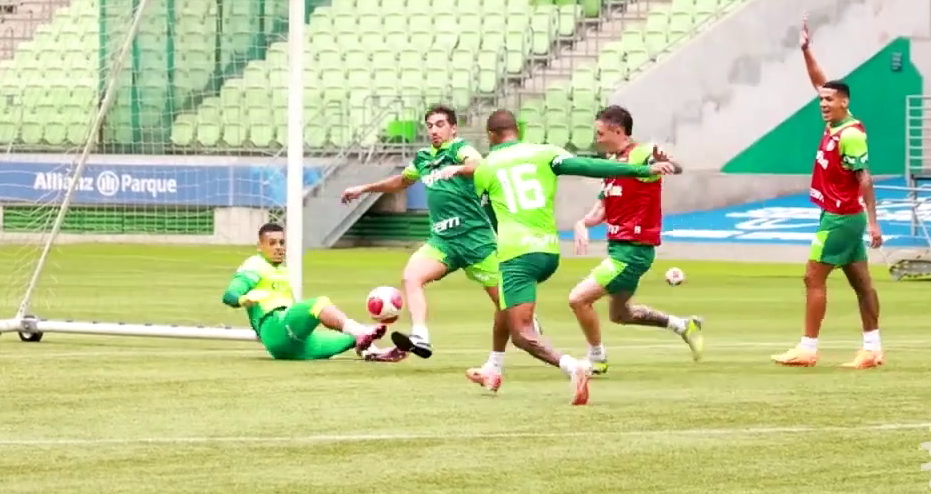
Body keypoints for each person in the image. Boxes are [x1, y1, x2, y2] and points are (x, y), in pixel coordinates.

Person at [428, 109, 673, 402]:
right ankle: (492, 367)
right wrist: (641, 170)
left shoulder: (486, 167)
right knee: (504, 304)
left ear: (491, 136)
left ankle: (572, 367)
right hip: (548, 251)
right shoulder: (544, 152)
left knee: (521, 333)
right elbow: (586, 166)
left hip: (517, 252)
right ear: (517, 130)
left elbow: (490, 214)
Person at [339, 105, 500, 360]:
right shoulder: (424, 158)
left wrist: (457, 169)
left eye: (440, 124)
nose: (434, 130)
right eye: (430, 126)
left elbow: (476, 163)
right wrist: (365, 188)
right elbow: (402, 181)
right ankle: (421, 336)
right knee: (411, 277)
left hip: (475, 240)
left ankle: (530, 327)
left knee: (508, 306)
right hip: (443, 242)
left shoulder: (460, 150)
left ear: (453, 128)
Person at [772, 18, 885, 369]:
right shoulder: (834, 121)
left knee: (813, 276)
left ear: (844, 102)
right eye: (821, 99)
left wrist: (874, 222)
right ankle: (873, 349)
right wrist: (806, 50)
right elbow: (819, 80)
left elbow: (864, 177)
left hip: (841, 216)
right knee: (861, 283)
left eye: (829, 99)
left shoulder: (850, 134)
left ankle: (808, 348)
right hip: (837, 214)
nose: (822, 103)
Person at [568, 106, 703, 374]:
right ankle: (683, 325)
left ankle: (596, 357)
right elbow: (602, 209)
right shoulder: (612, 164)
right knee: (621, 315)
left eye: (601, 132)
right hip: (620, 248)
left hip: (632, 251)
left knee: (578, 299)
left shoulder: (640, 152)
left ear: (618, 131)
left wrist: (663, 165)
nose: (597, 138)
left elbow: (674, 166)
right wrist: (582, 222)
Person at [222, 222, 399, 361]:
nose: (279, 247)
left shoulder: (281, 270)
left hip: (291, 347)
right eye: (272, 243)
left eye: (282, 242)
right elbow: (229, 295)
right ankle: (362, 332)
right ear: (260, 246)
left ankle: (373, 353)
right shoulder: (255, 264)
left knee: (352, 339)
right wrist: (242, 299)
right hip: (275, 327)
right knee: (318, 303)